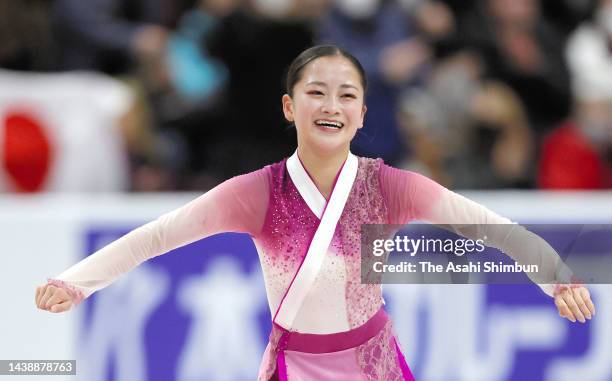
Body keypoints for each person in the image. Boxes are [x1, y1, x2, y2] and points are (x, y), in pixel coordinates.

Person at [35, 45, 595, 380]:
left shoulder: (390, 188)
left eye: (347, 95)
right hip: (293, 367)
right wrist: (77, 282)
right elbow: (154, 238)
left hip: (372, 363)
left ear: (362, 112)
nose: (332, 106)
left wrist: (558, 280)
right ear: (289, 106)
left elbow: (493, 231)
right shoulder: (256, 193)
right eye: (317, 93)